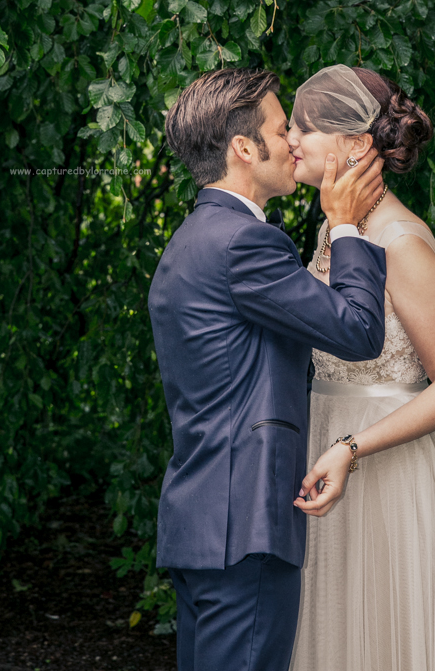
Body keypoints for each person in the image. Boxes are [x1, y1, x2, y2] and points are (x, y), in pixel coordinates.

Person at [148, 67, 388, 671]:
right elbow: (358, 330)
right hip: (245, 527)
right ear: (244, 149)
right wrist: (345, 226)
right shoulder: (244, 244)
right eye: (283, 131)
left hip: (202, 524)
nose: (295, 143)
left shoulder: (190, 241)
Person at [287, 64, 435, 671]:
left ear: (356, 145)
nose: (288, 140)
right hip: (328, 454)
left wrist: (351, 447)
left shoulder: (401, 241)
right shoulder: (335, 229)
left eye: (302, 128)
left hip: (389, 470)